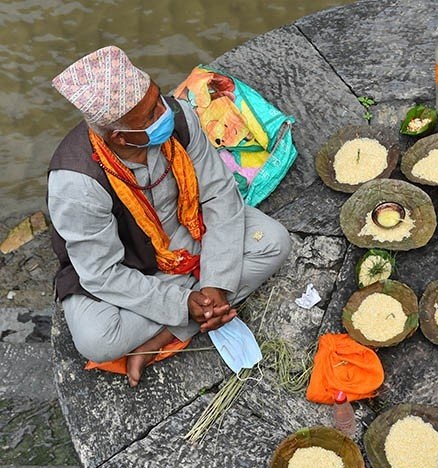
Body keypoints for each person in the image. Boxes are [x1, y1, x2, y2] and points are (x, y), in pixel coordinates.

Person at [48, 46, 291, 387]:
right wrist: (182, 301)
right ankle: (198, 309)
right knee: (96, 341)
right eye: (151, 114)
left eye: (158, 97)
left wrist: (214, 285)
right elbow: (101, 273)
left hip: (187, 229)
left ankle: (165, 337)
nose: (165, 111)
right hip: (126, 264)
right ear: (119, 137)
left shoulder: (178, 117)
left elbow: (219, 194)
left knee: (275, 243)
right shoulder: (76, 184)